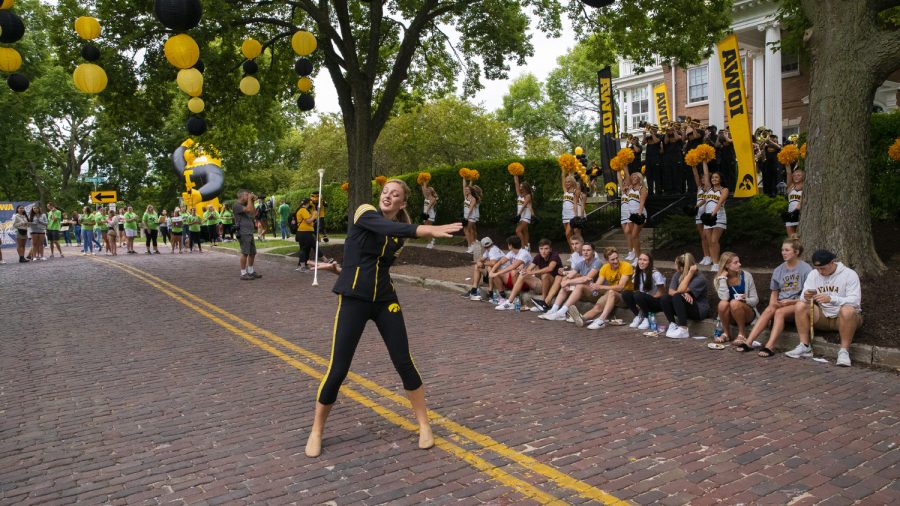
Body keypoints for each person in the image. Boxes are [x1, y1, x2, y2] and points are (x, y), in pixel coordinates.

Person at [304, 179, 462, 458]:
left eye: (395, 194)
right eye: (386, 192)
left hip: (385, 300)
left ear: (402, 203)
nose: (388, 196)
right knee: (338, 369)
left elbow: (375, 262)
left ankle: (425, 425)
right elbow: (383, 228)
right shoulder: (364, 211)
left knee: (404, 361)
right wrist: (426, 230)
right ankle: (316, 430)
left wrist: (339, 268)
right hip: (353, 300)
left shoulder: (399, 237)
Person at [787, 250, 862, 367]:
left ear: (832, 263)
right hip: (823, 315)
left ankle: (844, 352)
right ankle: (805, 346)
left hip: (844, 318)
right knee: (800, 305)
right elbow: (803, 298)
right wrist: (806, 296)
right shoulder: (813, 274)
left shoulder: (849, 274)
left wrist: (831, 299)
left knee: (848, 310)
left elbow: (855, 301)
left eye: (823, 268)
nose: (820, 272)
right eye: (817, 269)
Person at [745, 238, 812, 357]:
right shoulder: (778, 270)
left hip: (798, 304)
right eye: (782, 250)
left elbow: (808, 297)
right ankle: (748, 342)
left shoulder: (806, 269)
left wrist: (791, 301)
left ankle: (770, 346)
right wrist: (773, 304)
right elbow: (774, 292)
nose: (783, 253)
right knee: (769, 310)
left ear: (796, 252)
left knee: (779, 312)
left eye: (787, 250)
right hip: (783, 302)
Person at [573, 247, 635, 329]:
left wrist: (600, 287)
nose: (616, 261)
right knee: (597, 306)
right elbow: (598, 284)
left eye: (617, 258)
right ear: (607, 260)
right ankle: (583, 319)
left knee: (611, 292)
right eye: (612, 260)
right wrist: (592, 287)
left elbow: (621, 287)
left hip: (625, 297)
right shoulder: (605, 268)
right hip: (611, 294)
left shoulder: (626, 266)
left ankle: (601, 321)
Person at [539, 242, 602, 321]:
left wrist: (568, 282)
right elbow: (569, 275)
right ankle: (554, 310)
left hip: (594, 291)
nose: (585, 252)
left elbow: (586, 278)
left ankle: (562, 312)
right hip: (583, 290)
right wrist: (564, 282)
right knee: (566, 286)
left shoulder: (598, 262)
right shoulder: (581, 263)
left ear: (593, 252)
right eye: (583, 250)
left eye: (588, 250)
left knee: (578, 285)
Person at [497, 238, 561, 312]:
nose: (543, 251)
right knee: (522, 275)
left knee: (545, 275)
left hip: (554, 285)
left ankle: (542, 303)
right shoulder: (538, 257)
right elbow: (529, 270)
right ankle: (510, 302)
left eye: (546, 249)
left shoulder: (554, 255)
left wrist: (532, 272)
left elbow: (550, 268)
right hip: (541, 285)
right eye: (541, 249)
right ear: (539, 249)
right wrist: (523, 270)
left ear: (550, 249)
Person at [660, 253, 710, 339]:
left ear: (683, 268)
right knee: (665, 298)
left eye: (677, 266)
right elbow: (671, 291)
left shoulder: (700, 278)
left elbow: (679, 291)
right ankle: (673, 325)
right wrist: (683, 293)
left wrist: (690, 273)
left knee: (677, 296)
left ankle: (683, 329)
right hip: (683, 307)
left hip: (698, 310)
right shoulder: (677, 274)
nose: (676, 268)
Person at [714, 252, 759, 344]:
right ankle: (726, 334)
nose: (739, 264)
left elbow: (755, 300)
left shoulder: (746, 276)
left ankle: (742, 334)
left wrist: (746, 300)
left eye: (739, 262)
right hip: (730, 315)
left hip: (747, 313)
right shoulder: (718, 280)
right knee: (722, 304)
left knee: (734, 303)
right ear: (726, 265)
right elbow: (724, 298)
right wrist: (722, 279)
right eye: (736, 262)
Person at [623, 253, 666, 329]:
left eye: (645, 260)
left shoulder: (655, 274)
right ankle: (638, 316)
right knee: (626, 293)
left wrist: (643, 299)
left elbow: (661, 293)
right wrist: (639, 301)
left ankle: (647, 318)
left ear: (649, 262)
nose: (641, 262)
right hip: (643, 298)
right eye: (640, 259)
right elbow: (637, 290)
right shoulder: (638, 272)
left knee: (638, 295)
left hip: (656, 301)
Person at [487, 235, 532, 306]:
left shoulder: (524, 253)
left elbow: (513, 266)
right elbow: (500, 262)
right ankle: (502, 297)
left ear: (510, 245)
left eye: (508, 244)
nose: (507, 245)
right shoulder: (511, 253)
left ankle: (516, 300)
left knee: (513, 272)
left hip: (525, 281)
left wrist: (496, 274)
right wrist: (492, 272)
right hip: (514, 278)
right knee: (496, 271)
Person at [701, 162, 728, 271]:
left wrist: (713, 214)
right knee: (709, 241)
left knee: (713, 240)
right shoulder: (708, 189)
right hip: (708, 217)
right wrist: (704, 160)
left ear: (720, 179)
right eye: (713, 178)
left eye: (716, 177)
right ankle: (714, 262)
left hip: (718, 216)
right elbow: (706, 174)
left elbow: (720, 202)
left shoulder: (724, 189)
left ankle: (717, 263)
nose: (714, 179)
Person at [465, 236, 505, 300]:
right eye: (487, 247)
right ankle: (474, 289)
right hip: (496, 273)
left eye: (488, 246)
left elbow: (493, 263)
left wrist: (483, 264)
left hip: (501, 275)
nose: (488, 247)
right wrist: (479, 262)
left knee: (489, 267)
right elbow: (481, 259)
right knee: (477, 266)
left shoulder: (493, 250)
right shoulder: (489, 250)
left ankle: (490, 292)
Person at [234, 190, 262, 279]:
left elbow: (253, 214)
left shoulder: (246, 205)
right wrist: (250, 199)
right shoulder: (236, 205)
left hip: (249, 232)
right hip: (243, 232)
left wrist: (252, 201)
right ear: (241, 197)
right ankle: (243, 273)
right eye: (247, 195)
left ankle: (251, 271)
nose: (249, 196)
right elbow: (248, 209)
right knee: (245, 253)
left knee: (252, 253)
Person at [623, 172, 648, 263]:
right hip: (631, 215)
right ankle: (637, 256)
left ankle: (638, 257)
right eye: (632, 176)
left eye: (635, 177)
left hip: (639, 214)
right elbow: (626, 175)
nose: (633, 178)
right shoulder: (629, 188)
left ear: (639, 179)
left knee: (634, 236)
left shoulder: (643, 189)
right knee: (632, 235)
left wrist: (639, 215)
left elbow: (642, 203)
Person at [691, 165, 712, 266]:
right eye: (702, 178)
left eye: (705, 178)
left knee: (707, 236)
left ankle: (711, 256)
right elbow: (695, 175)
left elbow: (707, 174)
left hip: (706, 214)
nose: (703, 179)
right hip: (698, 214)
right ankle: (706, 256)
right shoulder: (699, 187)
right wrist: (693, 164)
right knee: (702, 237)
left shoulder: (709, 188)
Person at [294, 198, 317, 273]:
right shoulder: (303, 210)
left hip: (305, 232)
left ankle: (303, 265)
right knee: (304, 249)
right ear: (308, 203)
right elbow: (308, 220)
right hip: (304, 232)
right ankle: (302, 266)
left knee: (307, 248)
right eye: (310, 202)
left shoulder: (303, 210)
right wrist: (313, 215)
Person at [512, 174, 532, 251]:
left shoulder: (528, 196)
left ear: (525, 188)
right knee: (525, 231)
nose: (520, 188)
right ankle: (527, 246)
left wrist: (518, 214)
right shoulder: (519, 195)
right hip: (520, 215)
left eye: (521, 187)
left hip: (526, 215)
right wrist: (515, 174)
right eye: (520, 186)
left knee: (518, 230)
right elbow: (516, 183)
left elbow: (524, 206)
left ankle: (523, 247)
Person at [461, 177, 481, 253]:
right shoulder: (466, 196)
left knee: (467, 230)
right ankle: (472, 245)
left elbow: (471, 208)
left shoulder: (473, 199)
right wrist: (464, 177)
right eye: (465, 190)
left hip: (471, 217)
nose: (465, 190)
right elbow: (464, 186)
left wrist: (466, 217)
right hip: (466, 217)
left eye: (467, 190)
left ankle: (471, 246)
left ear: (470, 191)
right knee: (468, 230)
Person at [784, 165, 803, 237]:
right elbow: (788, 173)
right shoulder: (790, 187)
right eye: (794, 175)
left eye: (799, 175)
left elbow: (802, 200)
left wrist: (797, 209)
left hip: (800, 215)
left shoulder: (806, 187)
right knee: (792, 240)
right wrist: (787, 162)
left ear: (803, 176)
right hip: (790, 215)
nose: (796, 176)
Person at [420, 181, 438, 249]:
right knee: (426, 229)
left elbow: (429, 207)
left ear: (431, 191)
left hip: (430, 215)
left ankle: (430, 243)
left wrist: (425, 213)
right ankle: (432, 239)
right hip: (425, 214)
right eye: (426, 190)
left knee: (428, 229)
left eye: (428, 190)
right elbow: (423, 189)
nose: (426, 191)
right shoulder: (426, 197)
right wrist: (423, 182)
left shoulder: (433, 199)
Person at [561, 174, 577, 243]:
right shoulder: (565, 191)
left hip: (572, 215)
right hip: (564, 215)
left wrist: (576, 216)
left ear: (572, 182)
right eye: (566, 182)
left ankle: (576, 251)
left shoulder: (575, 192)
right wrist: (563, 169)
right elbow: (562, 177)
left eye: (569, 182)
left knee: (567, 233)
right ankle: (573, 252)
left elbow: (576, 204)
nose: (567, 183)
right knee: (568, 236)